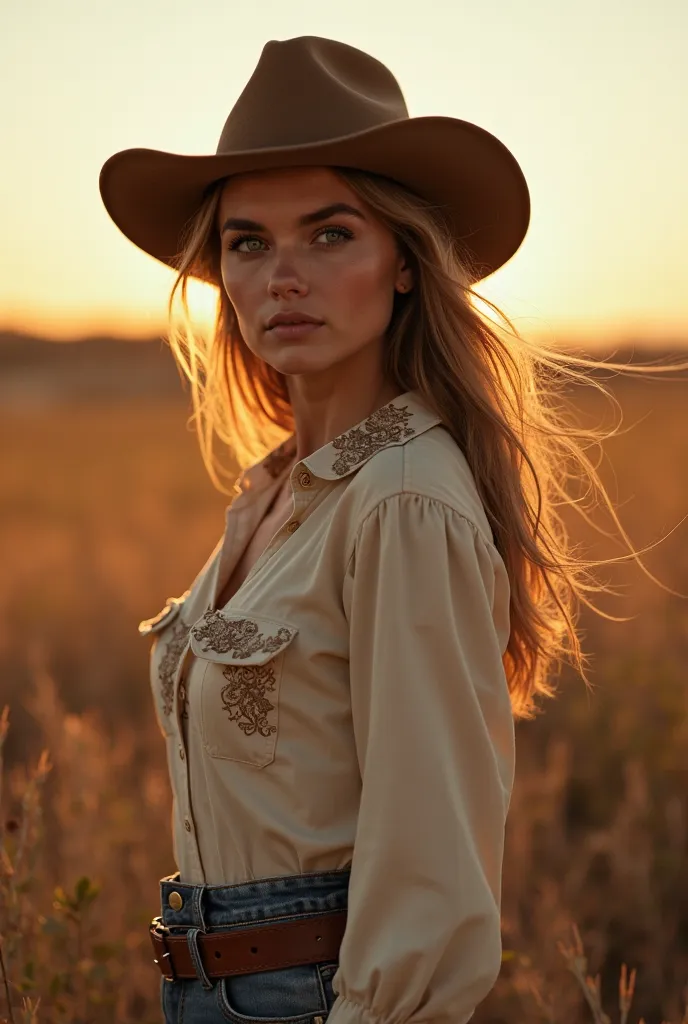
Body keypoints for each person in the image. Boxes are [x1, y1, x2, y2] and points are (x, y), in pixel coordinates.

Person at [99, 34, 615, 1024]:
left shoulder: (403, 499)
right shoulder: (278, 495)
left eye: (330, 234)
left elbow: (431, 854)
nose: (281, 274)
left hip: (318, 996)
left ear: (405, 263)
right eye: (247, 241)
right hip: (222, 989)